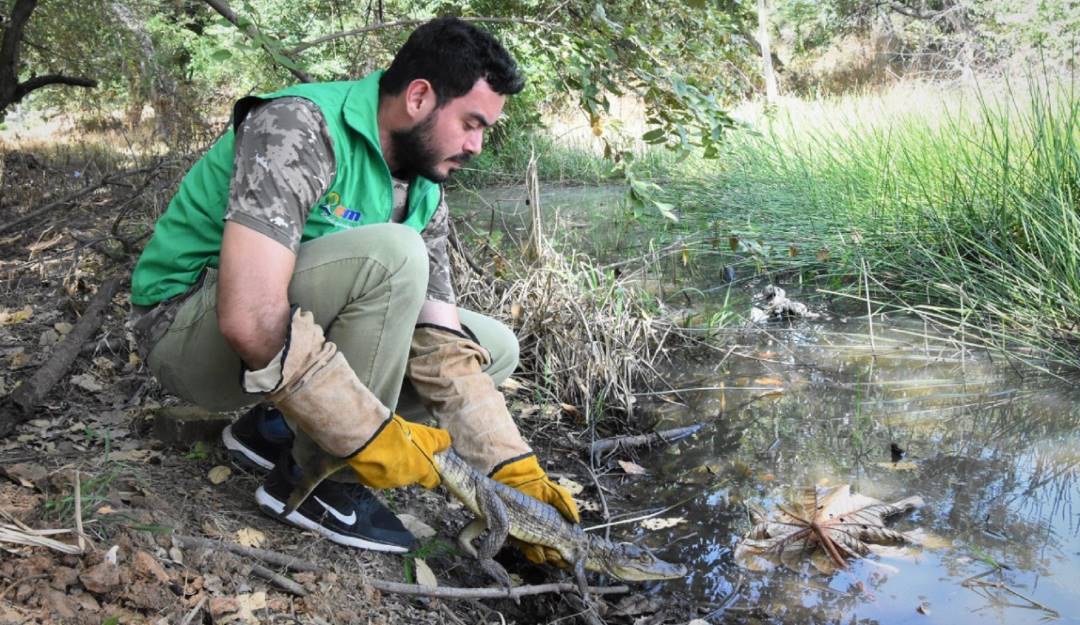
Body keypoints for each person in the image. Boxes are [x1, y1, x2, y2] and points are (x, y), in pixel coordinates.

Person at [128, 17, 577, 563]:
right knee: (392, 257)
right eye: (471, 123)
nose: (477, 145)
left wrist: (512, 471)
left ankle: (272, 429)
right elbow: (247, 316)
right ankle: (321, 478)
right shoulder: (300, 127)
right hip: (185, 331)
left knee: (493, 348)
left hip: (270, 344)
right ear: (418, 97)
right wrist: (368, 437)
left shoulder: (423, 186)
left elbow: (440, 343)